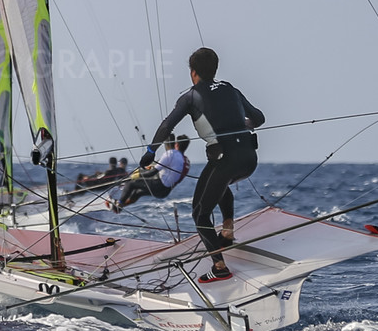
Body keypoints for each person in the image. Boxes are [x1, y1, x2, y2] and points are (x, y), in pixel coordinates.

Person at [142, 48, 265, 282]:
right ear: (215, 69)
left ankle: (219, 267)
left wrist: (150, 151)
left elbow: (167, 126)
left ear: (193, 73)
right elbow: (259, 118)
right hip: (249, 160)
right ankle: (227, 230)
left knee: (200, 214)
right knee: (217, 184)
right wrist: (241, 123)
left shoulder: (190, 97)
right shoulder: (231, 88)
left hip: (226, 162)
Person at [110, 136, 191, 210]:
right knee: (138, 193)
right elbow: (171, 170)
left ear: (176, 144)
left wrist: (137, 175)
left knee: (131, 183)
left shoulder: (170, 154)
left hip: (158, 186)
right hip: (165, 192)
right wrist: (151, 167)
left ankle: (119, 204)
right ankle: (121, 206)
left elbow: (152, 173)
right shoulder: (185, 161)